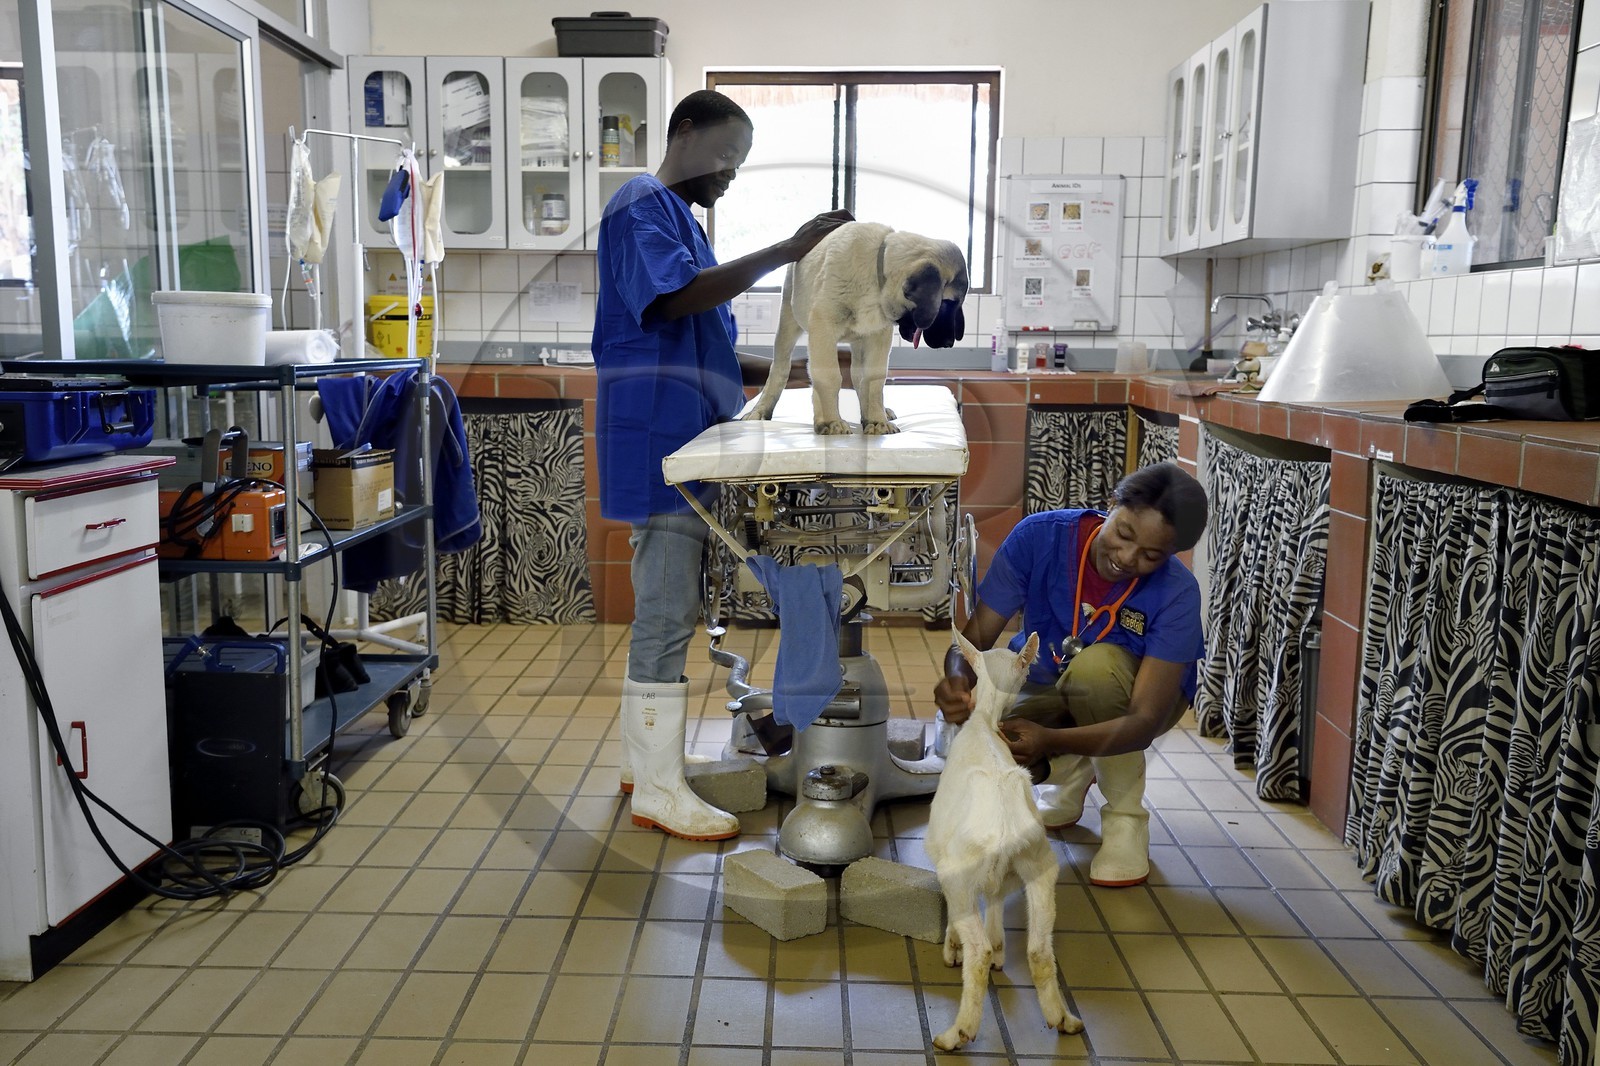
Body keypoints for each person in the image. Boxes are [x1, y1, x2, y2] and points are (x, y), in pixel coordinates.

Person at [593, 89, 852, 842]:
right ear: (684, 133)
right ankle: (658, 792)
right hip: (661, 443)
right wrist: (784, 250)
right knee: (667, 609)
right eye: (725, 156)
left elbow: (704, 345)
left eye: (741, 162)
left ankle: (647, 768)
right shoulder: (639, 202)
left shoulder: (686, 229)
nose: (731, 173)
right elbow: (673, 301)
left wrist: (794, 375)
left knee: (673, 607)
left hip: (691, 436)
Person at [933, 462, 1208, 886]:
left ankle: (1125, 820)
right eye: (1124, 534)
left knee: (1096, 669)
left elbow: (1143, 722)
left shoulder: (1177, 594)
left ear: (1171, 555)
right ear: (1112, 504)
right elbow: (975, 642)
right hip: (1050, 680)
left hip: (1134, 701)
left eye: (1152, 555)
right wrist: (955, 679)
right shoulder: (1040, 537)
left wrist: (1052, 740)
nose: (1127, 558)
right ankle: (1075, 776)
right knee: (994, 735)